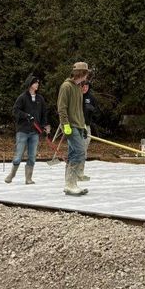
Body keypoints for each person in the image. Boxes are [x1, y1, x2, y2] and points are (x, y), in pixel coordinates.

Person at [6, 74, 48, 184]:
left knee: (32, 156)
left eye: (38, 83)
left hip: (35, 132)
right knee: (18, 155)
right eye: (35, 83)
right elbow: (15, 110)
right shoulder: (22, 97)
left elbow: (44, 114)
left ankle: (28, 178)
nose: (37, 85)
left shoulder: (40, 99)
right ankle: (12, 174)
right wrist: (26, 115)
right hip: (23, 131)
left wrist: (43, 126)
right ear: (30, 84)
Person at [57, 61, 91, 196]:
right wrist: (65, 124)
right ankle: (70, 183)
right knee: (79, 152)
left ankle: (70, 184)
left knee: (73, 154)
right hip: (70, 125)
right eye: (86, 74)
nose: (87, 77)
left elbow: (79, 110)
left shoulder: (78, 88)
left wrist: (82, 125)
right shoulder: (66, 87)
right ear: (81, 73)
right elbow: (61, 107)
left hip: (78, 125)